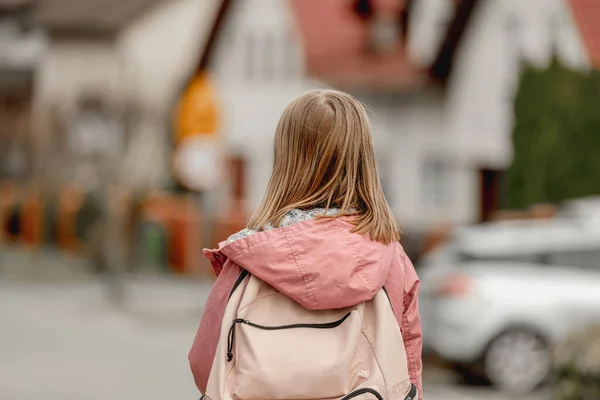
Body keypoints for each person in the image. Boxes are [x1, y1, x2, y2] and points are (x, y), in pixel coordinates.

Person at [189, 89, 423, 399]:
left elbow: (205, 363)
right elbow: (408, 367)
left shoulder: (248, 261)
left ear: (285, 161)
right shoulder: (390, 259)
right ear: (363, 160)